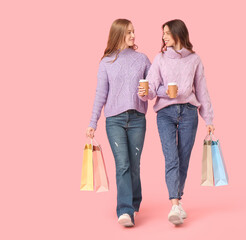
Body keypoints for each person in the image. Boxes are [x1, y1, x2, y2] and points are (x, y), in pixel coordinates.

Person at [138, 19, 215, 225]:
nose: (163, 36)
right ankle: (174, 203)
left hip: (189, 112)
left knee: (183, 157)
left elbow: (201, 89)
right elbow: (152, 88)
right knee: (171, 157)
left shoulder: (195, 60)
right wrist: (146, 93)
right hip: (165, 113)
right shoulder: (160, 59)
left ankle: (178, 200)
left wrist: (208, 118)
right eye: (162, 33)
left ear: (178, 34)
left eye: (167, 33)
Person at [87, 19, 151, 227]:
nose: (133, 36)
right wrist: (92, 122)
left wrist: (147, 93)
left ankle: (134, 201)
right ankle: (125, 210)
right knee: (122, 164)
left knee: (134, 165)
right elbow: (100, 94)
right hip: (114, 120)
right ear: (119, 34)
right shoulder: (106, 62)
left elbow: (152, 89)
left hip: (137, 119)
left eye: (134, 32)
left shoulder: (142, 59)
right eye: (129, 32)